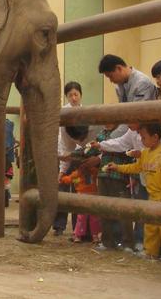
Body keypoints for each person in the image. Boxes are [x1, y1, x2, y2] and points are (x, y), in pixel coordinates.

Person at [106, 123, 161, 263]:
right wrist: (118, 167)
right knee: (150, 226)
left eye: (144, 137)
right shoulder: (145, 153)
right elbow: (136, 167)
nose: (141, 140)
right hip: (152, 196)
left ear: (155, 137)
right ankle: (150, 252)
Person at [54, 82, 96, 236]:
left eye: (76, 94)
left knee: (81, 190)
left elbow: (91, 143)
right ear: (66, 96)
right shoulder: (64, 113)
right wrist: (62, 168)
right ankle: (59, 225)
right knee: (63, 188)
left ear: (81, 95)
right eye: (70, 95)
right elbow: (64, 143)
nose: (73, 97)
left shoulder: (86, 113)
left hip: (84, 156)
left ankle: (79, 230)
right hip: (67, 154)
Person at [98, 54, 156, 139]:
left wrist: (109, 139)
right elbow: (123, 114)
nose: (110, 81)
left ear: (119, 68)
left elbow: (135, 116)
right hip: (130, 132)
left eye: (110, 76)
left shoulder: (142, 83)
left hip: (146, 134)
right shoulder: (119, 86)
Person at [60, 155, 101, 245]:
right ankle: (95, 236)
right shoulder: (94, 171)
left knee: (81, 217)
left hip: (82, 197)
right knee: (94, 217)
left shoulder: (78, 173)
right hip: (93, 196)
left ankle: (78, 235)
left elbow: (68, 179)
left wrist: (62, 179)